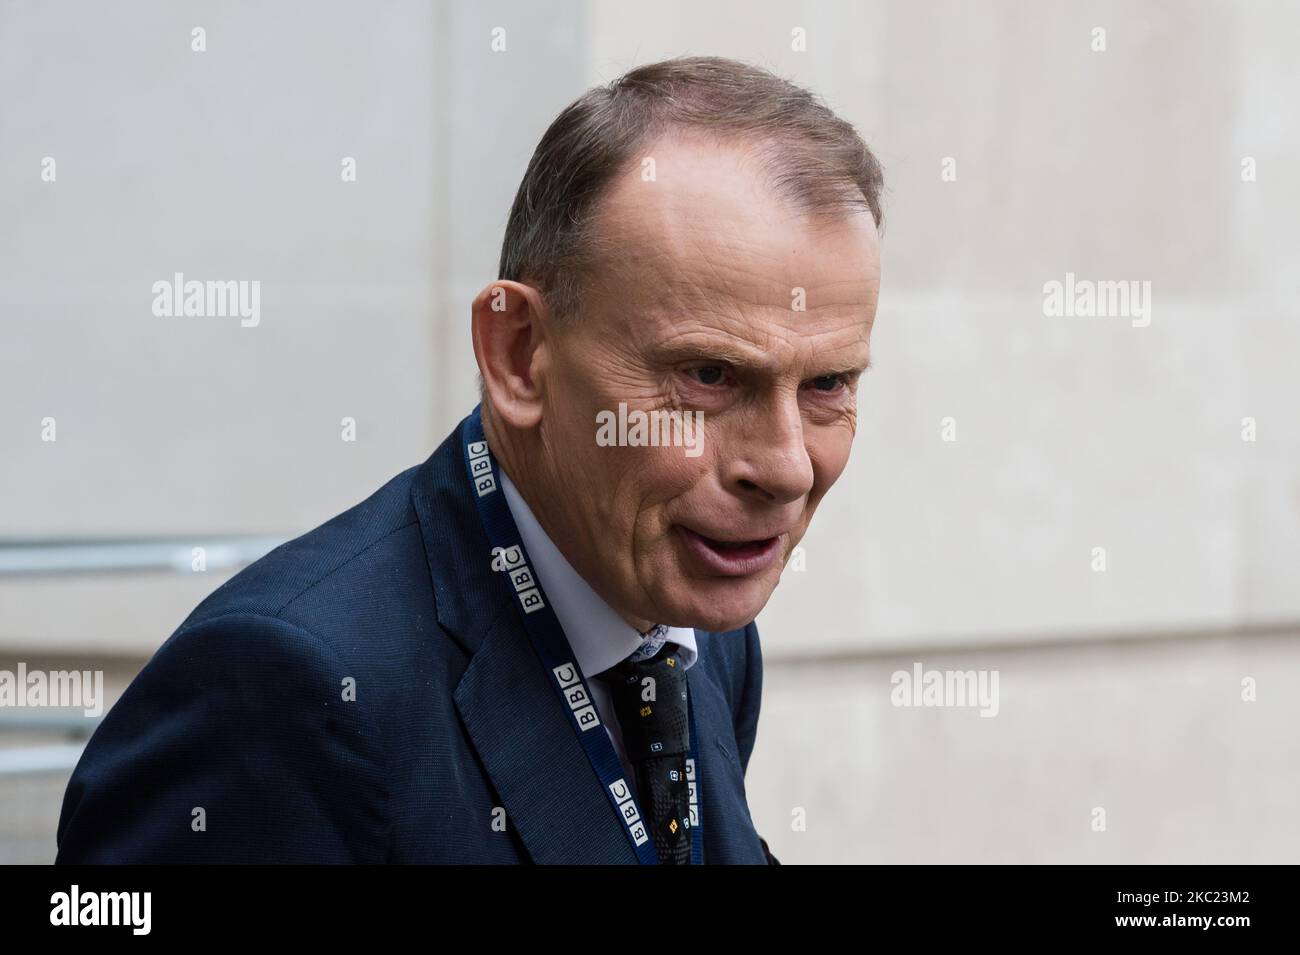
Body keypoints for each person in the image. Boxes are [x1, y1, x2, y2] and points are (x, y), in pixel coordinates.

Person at [55, 55, 884, 864]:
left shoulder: (701, 626)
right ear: (519, 354)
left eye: (828, 383)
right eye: (708, 375)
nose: (784, 468)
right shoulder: (284, 693)